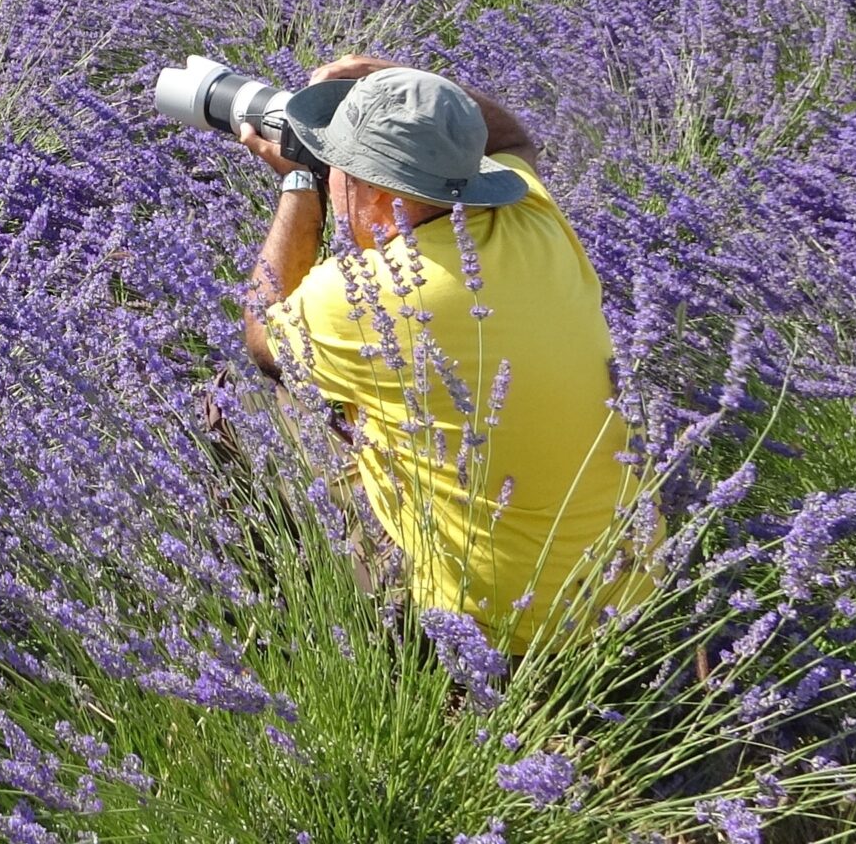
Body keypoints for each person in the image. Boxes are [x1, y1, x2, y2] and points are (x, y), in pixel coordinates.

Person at [236, 55, 651, 655]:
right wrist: (417, 93)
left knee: (243, 401)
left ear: (376, 202)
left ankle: (298, 609)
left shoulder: (356, 298)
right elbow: (512, 138)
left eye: (338, 167)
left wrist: (300, 182)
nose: (331, 174)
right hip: (631, 593)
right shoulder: (534, 221)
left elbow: (261, 334)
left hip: (497, 633)